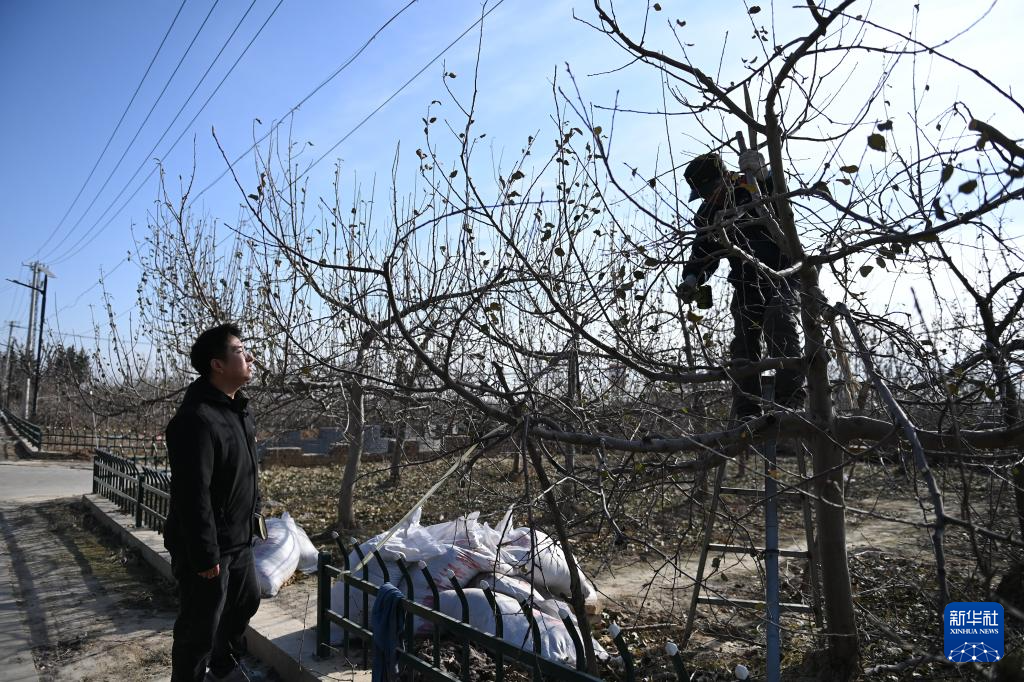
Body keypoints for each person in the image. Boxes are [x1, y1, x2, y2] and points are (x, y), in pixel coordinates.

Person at [165, 323, 262, 682]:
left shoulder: (239, 411)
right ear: (217, 365)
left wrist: (254, 515)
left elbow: (247, 472)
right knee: (199, 630)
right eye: (239, 350)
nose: (249, 357)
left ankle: (224, 669)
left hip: (239, 539)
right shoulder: (196, 419)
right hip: (208, 549)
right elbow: (193, 494)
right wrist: (205, 555)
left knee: (245, 602)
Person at [677, 150, 805, 421]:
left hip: (783, 274)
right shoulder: (709, 214)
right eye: (703, 195)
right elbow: (703, 252)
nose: (708, 198)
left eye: (709, 191)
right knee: (743, 344)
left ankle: (790, 402)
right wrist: (692, 279)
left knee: (779, 320)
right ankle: (747, 412)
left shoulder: (752, 186)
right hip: (747, 283)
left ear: (724, 178)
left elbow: (780, 201)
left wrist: (764, 175)